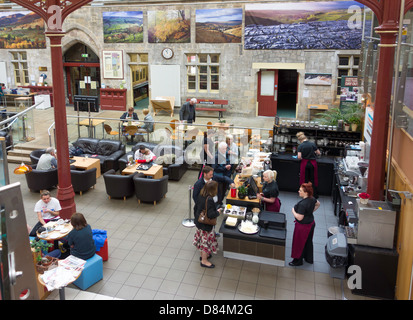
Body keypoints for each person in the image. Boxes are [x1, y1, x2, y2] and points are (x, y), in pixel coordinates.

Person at [289, 182, 320, 267]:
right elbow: (318, 204)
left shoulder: (302, 204)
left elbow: (299, 218)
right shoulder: (312, 199)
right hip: (311, 223)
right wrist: (310, 212)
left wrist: (293, 211)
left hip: (302, 227)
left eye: (300, 190)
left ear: (306, 192)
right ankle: (308, 258)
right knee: (308, 242)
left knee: (298, 243)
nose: (298, 191)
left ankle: (297, 261)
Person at [193, 180, 222, 268]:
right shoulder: (209, 199)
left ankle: (203, 256)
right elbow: (210, 215)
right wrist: (218, 212)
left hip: (199, 222)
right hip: (205, 225)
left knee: (201, 241)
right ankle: (204, 261)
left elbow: (195, 208)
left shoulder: (201, 195)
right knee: (205, 243)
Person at [296, 132, 321, 199]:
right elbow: (318, 153)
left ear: (300, 140)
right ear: (306, 138)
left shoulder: (300, 146)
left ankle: (305, 194)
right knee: (313, 179)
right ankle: (314, 194)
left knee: (304, 179)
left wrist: (302, 158)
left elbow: (299, 157)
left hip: (305, 163)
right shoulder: (312, 144)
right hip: (313, 163)